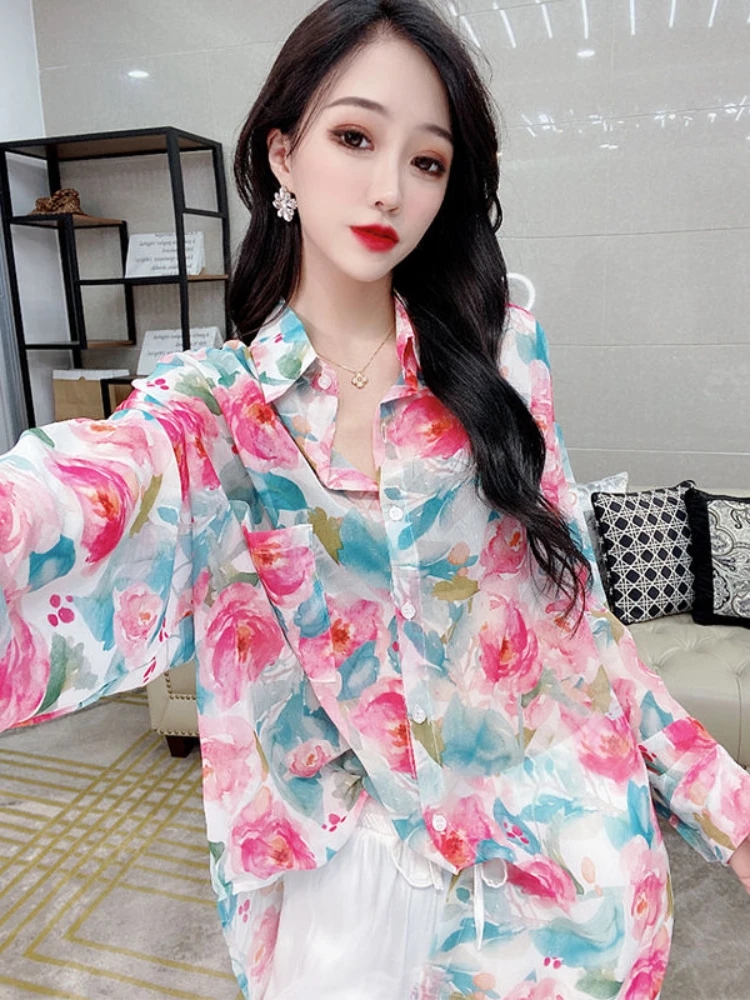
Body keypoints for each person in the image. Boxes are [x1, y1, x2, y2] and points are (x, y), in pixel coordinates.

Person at [1, 1, 749, 997]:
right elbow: (64, 500)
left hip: (554, 877)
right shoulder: (217, 413)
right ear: (283, 152)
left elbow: (578, 625)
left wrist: (726, 804)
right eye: (355, 138)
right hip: (345, 894)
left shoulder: (502, 355)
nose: (390, 188)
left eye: (427, 160)